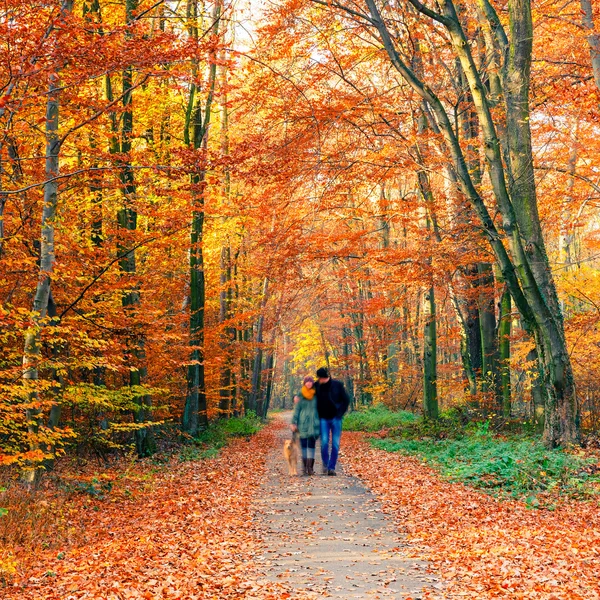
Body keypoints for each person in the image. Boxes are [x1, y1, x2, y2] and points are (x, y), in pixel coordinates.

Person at [315, 367, 350, 476]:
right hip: (323, 419)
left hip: (336, 418)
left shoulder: (337, 385)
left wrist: (340, 413)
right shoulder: (316, 386)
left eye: (320, 378)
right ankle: (326, 463)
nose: (319, 380)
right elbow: (307, 396)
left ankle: (331, 467)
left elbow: (346, 400)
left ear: (325, 377)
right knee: (324, 442)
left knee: (335, 443)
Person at [290, 376, 320, 475]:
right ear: (304, 383)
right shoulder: (300, 396)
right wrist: (293, 422)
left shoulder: (317, 395)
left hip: (314, 424)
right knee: (303, 447)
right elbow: (297, 410)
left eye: (310, 382)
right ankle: (304, 467)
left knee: (311, 446)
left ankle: (310, 468)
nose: (309, 383)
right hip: (303, 424)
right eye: (307, 382)